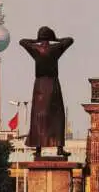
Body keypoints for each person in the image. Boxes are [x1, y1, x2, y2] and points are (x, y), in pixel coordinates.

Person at [19, 26, 74, 158]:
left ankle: (38, 149)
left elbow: (22, 41)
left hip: (39, 85)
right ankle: (60, 148)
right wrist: (56, 39)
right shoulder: (55, 49)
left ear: (40, 37)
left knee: (38, 117)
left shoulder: (35, 49)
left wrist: (36, 40)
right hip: (52, 84)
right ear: (50, 37)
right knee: (58, 116)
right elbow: (70, 40)